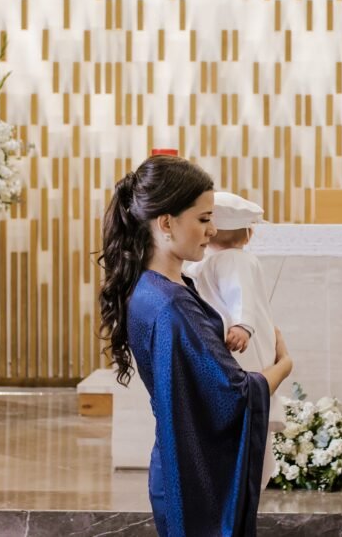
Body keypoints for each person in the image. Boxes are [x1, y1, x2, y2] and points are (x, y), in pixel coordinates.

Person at [99, 156, 293, 537]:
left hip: (178, 462)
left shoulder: (150, 287)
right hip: (193, 480)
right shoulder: (172, 305)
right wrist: (284, 364)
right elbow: (235, 397)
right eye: (204, 219)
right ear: (166, 223)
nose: (213, 230)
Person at [183, 191, 285, 488]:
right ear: (249, 234)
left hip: (240, 340)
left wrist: (243, 324)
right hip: (234, 343)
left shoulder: (234, 260)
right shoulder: (221, 259)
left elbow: (242, 294)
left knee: (249, 406)